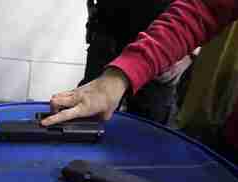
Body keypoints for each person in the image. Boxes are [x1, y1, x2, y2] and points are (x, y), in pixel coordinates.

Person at [41, 0, 238, 126]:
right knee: (82, 123)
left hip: (164, 57)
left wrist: (191, 51)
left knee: (148, 138)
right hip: (107, 39)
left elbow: (205, 11)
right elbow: (205, 8)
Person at [79, 0, 197, 125]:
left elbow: (210, 9)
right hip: (108, 35)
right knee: (87, 120)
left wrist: (193, 51)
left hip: (163, 49)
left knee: (150, 129)